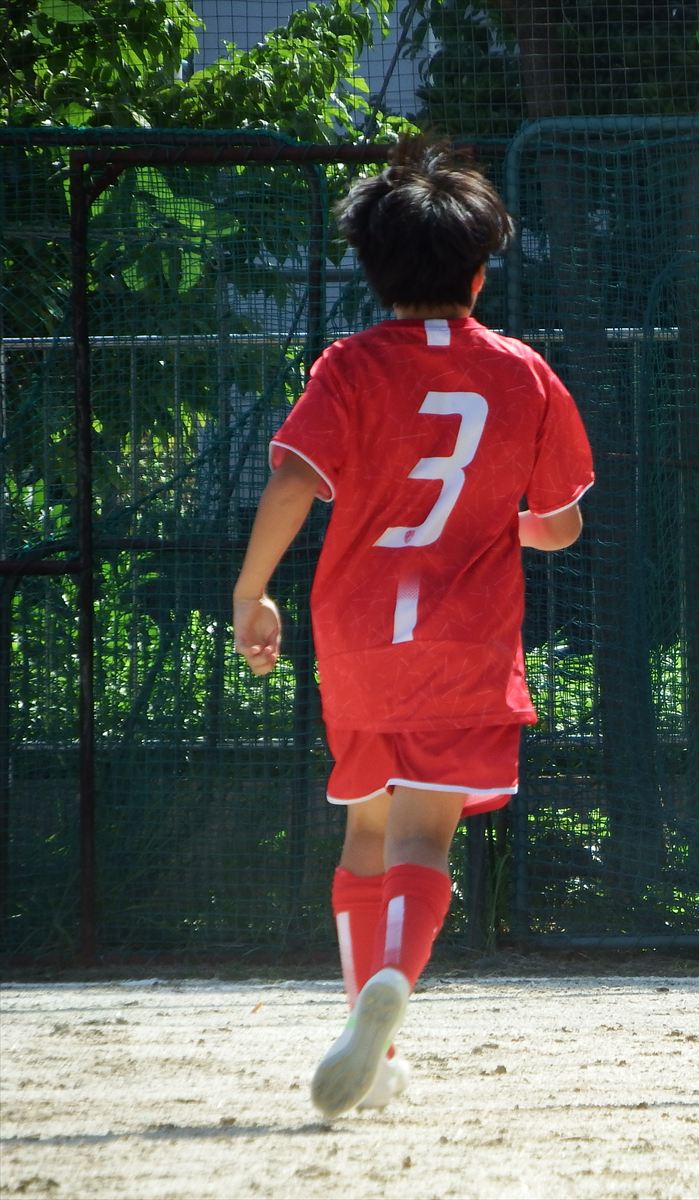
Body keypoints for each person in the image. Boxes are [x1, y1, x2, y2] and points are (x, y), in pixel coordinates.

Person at [231, 141, 594, 1119]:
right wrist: (500, 523)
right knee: (426, 838)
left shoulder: (349, 366)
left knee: (366, 828)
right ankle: (393, 989)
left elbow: (294, 480)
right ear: (479, 274)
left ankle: (372, 1032)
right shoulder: (524, 374)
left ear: (374, 271)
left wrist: (251, 592)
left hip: (357, 639)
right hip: (466, 642)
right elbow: (560, 524)